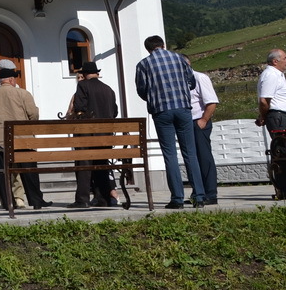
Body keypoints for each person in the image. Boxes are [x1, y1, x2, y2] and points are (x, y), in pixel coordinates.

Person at [135, 35, 206, 209]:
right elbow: (191, 82)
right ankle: (199, 196)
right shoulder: (179, 58)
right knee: (190, 153)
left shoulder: (144, 64)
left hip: (161, 111)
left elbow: (141, 90)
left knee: (170, 155)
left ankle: (177, 198)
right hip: (183, 108)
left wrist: (153, 96)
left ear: (148, 49)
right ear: (163, 45)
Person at [0, 60, 53, 210]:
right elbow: (33, 115)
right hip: (23, 141)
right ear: (11, 79)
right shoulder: (23, 93)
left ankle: (7, 202)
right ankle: (36, 200)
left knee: (2, 172)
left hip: (0, 142)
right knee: (29, 171)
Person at [67, 61, 118, 208]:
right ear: (97, 72)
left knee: (84, 164)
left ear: (83, 74)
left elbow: (80, 107)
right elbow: (114, 112)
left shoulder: (83, 86)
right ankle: (103, 198)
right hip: (106, 136)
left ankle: (82, 199)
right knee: (101, 164)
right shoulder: (108, 89)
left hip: (88, 135)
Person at [256, 48, 286, 200]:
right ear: (275, 61)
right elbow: (264, 100)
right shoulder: (271, 75)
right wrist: (263, 116)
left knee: (285, 153)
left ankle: (285, 189)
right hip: (279, 117)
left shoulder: (277, 75)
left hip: (283, 116)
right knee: (282, 153)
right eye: (285, 57)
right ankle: (283, 190)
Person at [187, 66, 219, 205]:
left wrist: (204, 120)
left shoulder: (200, 78)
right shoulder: (181, 80)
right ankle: (198, 192)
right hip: (186, 123)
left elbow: (211, 101)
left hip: (199, 121)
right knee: (193, 158)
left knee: (204, 157)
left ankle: (211, 193)